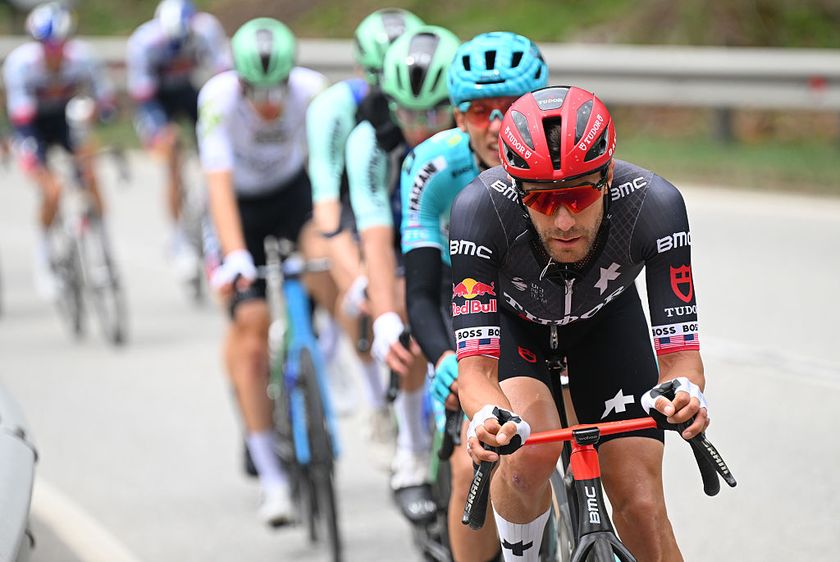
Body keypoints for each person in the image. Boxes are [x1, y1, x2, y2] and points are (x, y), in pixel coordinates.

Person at [451, 86, 708, 562]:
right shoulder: (479, 210)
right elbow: (477, 375)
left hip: (606, 322)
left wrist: (686, 392)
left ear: (607, 174)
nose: (565, 219)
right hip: (517, 327)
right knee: (525, 457)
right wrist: (488, 416)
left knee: (642, 505)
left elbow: (681, 359)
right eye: (543, 202)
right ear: (515, 188)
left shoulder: (655, 205)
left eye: (580, 194)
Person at [400, 32, 548, 562]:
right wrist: (443, 359)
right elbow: (418, 290)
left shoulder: (566, 156)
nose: (494, 125)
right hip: (465, 300)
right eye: (477, 111)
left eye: (508, 109)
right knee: (472, 468)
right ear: (457, 118)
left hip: (548, 302)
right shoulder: (431, 166)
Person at [196, 17, 329, 526]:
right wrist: (233, 256)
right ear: (240, 80)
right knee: (250, 328)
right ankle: (271, 479)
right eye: (259, 89)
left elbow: (326, 177)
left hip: (292, 196)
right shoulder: (219, 99)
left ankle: (328, 355)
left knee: (327, 256)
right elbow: (218, 184)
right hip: (239, 211)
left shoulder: (312, 92)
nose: (270, 101)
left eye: (279, 87)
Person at [345, 25, 460, 522]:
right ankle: (411, 453)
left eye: (433, 112)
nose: (420, 126)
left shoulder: (475, 136)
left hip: (463, 246)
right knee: (405, 324)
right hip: (399, 243)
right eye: (408, 112)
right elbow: (372, 235)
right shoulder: (368, 142)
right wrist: (387, 316)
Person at [306, 7, 423, 436]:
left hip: (404, 204)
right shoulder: (334, 110)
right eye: (379, 75)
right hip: (349, 207)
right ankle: (377, 404)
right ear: (360, 69)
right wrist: (359, 280)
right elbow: (327, 212)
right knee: (358, 296)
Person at [3, 1, 116, 298]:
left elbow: (106, 102)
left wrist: (97, 111)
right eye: (48, 47)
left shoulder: (83, 59)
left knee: (91, 175)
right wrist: (39, 163)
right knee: (52, 191)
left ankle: (102, 246)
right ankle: (44, 260)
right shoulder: (21, 64)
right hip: (33, 125)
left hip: (67, 121)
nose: (55, 53)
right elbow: (22, 120)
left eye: (60, 45)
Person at [127, 0, 230, 280]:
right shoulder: (144, 43)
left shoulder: (206, 30)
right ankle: (179, 238)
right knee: (171, 153)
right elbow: (145, 99)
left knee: (217, 142)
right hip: (156, 100)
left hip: (188, 91)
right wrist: (163, 134)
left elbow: (224, 74)